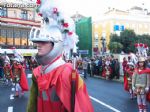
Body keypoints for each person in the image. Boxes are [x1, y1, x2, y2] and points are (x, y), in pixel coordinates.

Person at [27, 0, 94, 112]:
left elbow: (81, 107)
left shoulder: (66, 73)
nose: (38, 45)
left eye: (44, 42)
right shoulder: (37, 72)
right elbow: (32, 106)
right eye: (37, 41)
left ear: (56, 44)